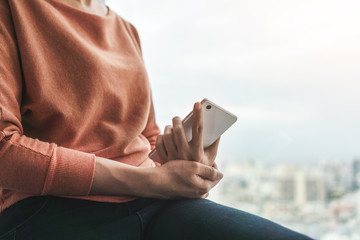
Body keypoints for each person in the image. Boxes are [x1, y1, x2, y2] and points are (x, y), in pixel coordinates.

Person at [0, 0, 314, 239]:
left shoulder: (126, 30)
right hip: (51, 210)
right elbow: (5, 150)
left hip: (153, 200)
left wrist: (181, 168)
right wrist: (155, 181)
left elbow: (145, 134)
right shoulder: (13, 8)